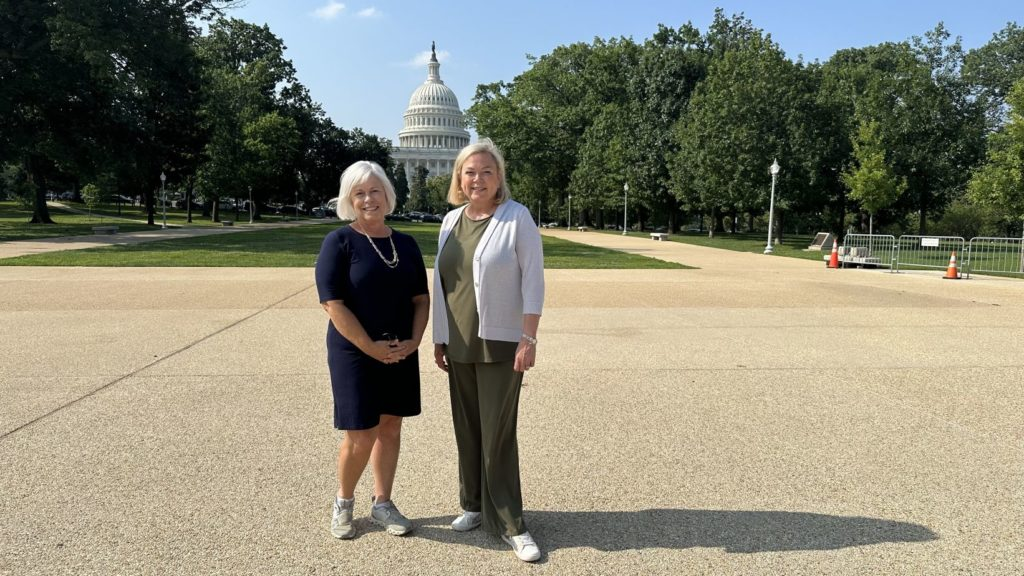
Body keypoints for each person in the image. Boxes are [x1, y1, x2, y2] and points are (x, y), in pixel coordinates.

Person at [432, 139, 545, 562]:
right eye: (469, 172)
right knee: (468, 430)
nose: (477, 179)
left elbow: (533, 281)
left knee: (498, 434)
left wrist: (528, 339)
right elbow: (446, 285)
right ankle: (473, 505)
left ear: (499, 177)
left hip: (500, 342)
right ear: (458, 179)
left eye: (486, 171)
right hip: (458, 343)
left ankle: (512, 523)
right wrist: (439, 338)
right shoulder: (449, 221)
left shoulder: (517, 218)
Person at [314, 160, 429, 540]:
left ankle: (383, 502)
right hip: (354, 350)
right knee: (361, 432)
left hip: (399, 347)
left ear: (387, 195)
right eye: (359, 193)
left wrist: (414, 341)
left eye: (375, 191)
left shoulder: (406, 244)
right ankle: (343, 503)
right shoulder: (339, 242)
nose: (368, 199)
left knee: (391, 427)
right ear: (349, 199)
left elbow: (420, 299)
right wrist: (370, 348)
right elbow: (333, 304)